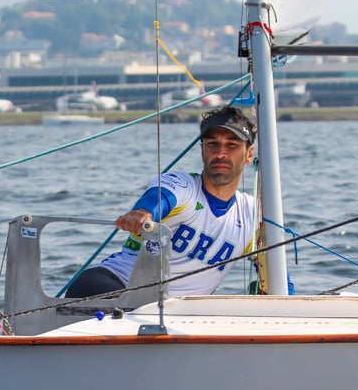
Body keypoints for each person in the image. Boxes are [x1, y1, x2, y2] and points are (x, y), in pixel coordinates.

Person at [65, 105, 258, 299]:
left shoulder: (253, 214)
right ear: (202, 150)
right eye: (212, 144)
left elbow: (271, 268)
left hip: (177, 310)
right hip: (114, 283)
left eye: (232, 145)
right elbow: (159, 198)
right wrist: (143, 213)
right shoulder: (182, 184)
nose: (220, 153)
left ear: (249, 154)